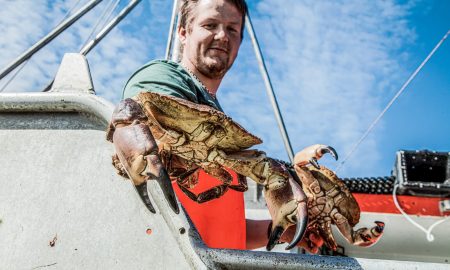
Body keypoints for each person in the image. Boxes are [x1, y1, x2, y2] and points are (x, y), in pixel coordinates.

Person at [122, 0, 323, 252]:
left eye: (232, 29)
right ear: (183, 32)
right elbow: (144, 122)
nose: (222, 36)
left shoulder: (220, 122)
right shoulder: (162, 78)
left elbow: (221, 224)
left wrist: (278, 230)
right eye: (210, 25)